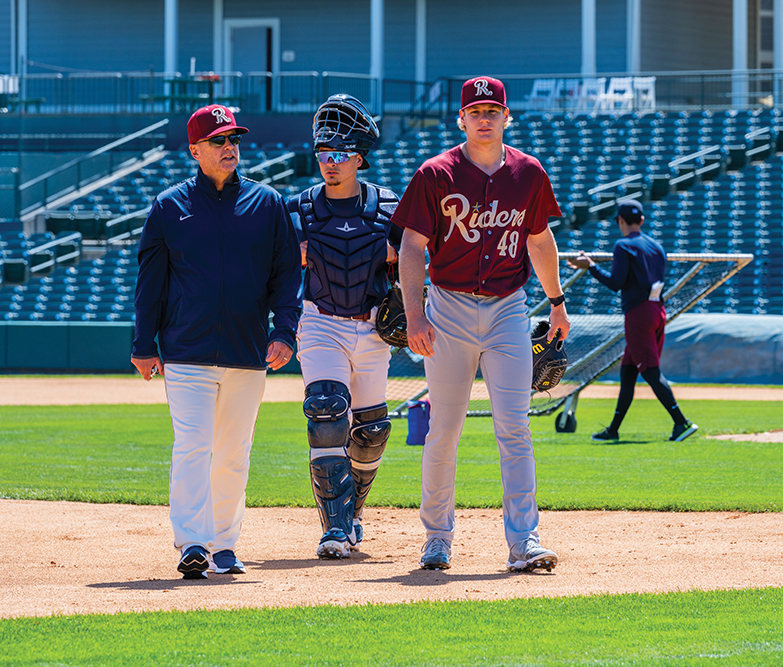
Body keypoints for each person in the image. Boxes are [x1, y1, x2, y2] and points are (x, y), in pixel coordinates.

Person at [393, 76, 570, 572]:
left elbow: (539, 240)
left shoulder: (528, 173)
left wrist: (556, 301)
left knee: (514, 426)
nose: (485, 118)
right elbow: (411, 245)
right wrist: (414, 314)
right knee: (444, 430)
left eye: (494, 110)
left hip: (509, 307)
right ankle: (437, 538)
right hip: (447, 307)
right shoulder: (436, 173)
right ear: (462, 119)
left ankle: (524, 541)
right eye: (477, 111)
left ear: (507, 117)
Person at [131, 104, 301, 580]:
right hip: (187, 351)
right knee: (192, 444)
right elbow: (151, 283)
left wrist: (285, 330)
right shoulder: (169, 206)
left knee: (233, 451)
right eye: (219, 141)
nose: (230, 147)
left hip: (248, 352)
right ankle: (192, 542)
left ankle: (224, 544)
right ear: (195, 150)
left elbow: (287, 276)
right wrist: (144, 345)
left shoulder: (267, 204)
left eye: (234, 140)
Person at [286, 95, 401, 560]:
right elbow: (279, 270)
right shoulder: (299, 209)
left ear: (358, 158)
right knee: (327, 410)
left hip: (373, 327)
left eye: (338, 155)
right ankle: (333, 529)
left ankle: (352, 512)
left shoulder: (390, 206)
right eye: (322, 155)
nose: (329, 164)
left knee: (372, 432)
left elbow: (413, 266)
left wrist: (411, 304)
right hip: (321, 322)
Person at [568, 200, 698, 444]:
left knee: (650, 371)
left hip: (638, 313)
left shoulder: (623, 245)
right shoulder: (657, 246)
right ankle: (613, 429)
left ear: (620, 221)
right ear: (642, 220)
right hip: (658, 310)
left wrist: (591, 267)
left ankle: (682, 422)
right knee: (628, 372)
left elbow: (616, 283)